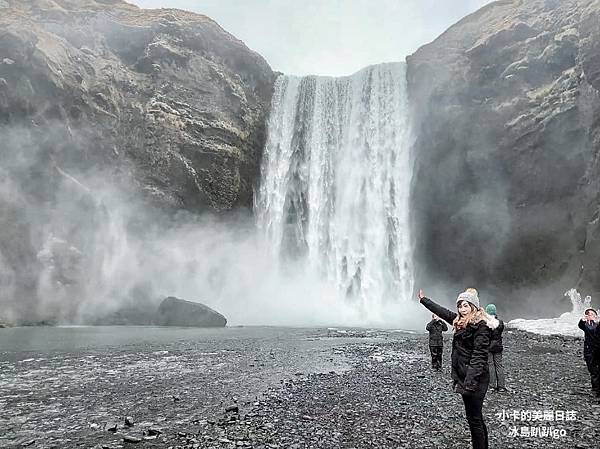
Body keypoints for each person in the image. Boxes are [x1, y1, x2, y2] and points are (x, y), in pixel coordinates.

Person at [418, 288, 499, 449]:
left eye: (466, 306)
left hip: (475, 379)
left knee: (474, 419)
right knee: (474, 417)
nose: (462, 309)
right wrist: (424, 300)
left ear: (474, 307)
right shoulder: (460, 321)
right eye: (460, 306)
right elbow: (442, 311)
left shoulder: (480, 326)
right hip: (465, 377)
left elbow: (479, 357)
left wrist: (469, 383)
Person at [578, 307, 600, 398]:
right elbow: (581, 325)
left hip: (598, 349)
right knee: (593, 370)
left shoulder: (598, 324)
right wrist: (583, 320)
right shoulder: (586, 325)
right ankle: (595, 390)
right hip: (589, 350)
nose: (592, 316)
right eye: (589, 314)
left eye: (593, 314)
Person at [484, 303, 506, 392]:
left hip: (489, 346)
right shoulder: (500, 323)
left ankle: (492, 385)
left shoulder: (486, 323)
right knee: (499, 365)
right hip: (498, 346)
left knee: (491, 365)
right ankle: (501, 386)